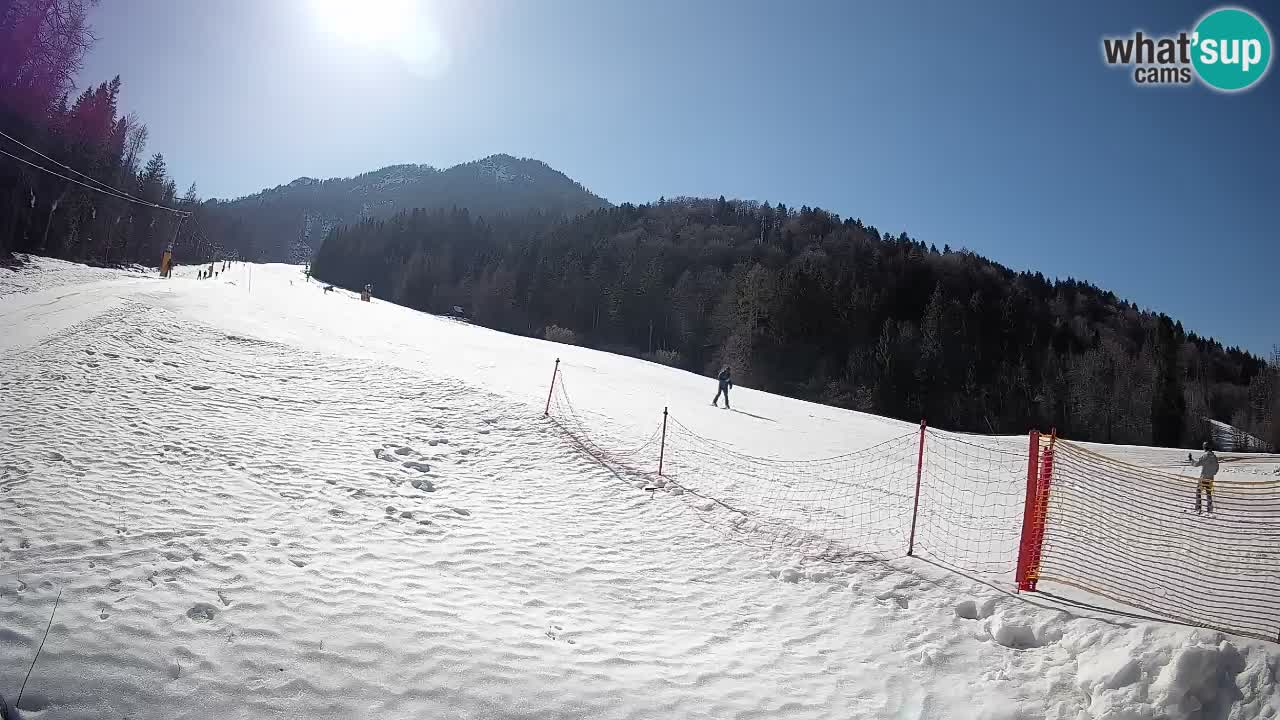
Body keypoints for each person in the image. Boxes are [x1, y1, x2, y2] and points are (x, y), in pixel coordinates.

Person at [1189, 441, 1218, 514]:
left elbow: (1196, 464)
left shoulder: (1205, 456)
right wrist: (1212, 473)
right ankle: (1210, 510)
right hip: (1210, 478)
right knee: (1209, 493)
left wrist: (1191, 460)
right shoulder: (1214, 457)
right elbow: (1217, 467)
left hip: (1203, 478)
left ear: (1205, 448)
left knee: (1198, 491)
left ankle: (1198, 508)